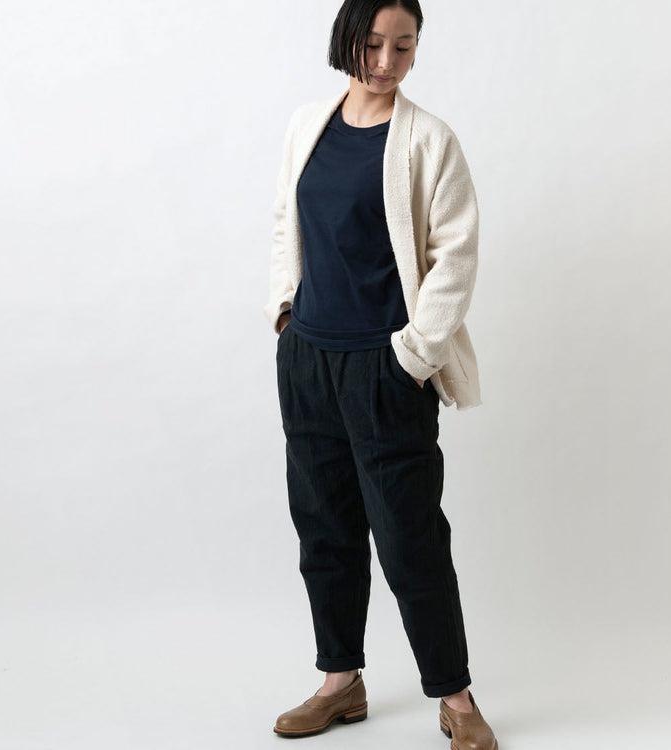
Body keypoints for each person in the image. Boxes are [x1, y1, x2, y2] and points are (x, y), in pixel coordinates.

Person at [264, 1, 495, 747]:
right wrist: (284, 312)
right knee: (324, 529)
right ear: (347, 41)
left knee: (409, 538)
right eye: (372, 44)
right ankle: (341, 682)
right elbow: (286, 221)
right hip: (309, 360)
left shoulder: (429, 140)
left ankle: (456, 698)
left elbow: (455, 256)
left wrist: (414, 356)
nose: (387, 61)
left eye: (404, 45)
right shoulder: (308, 125)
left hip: (384, 369)